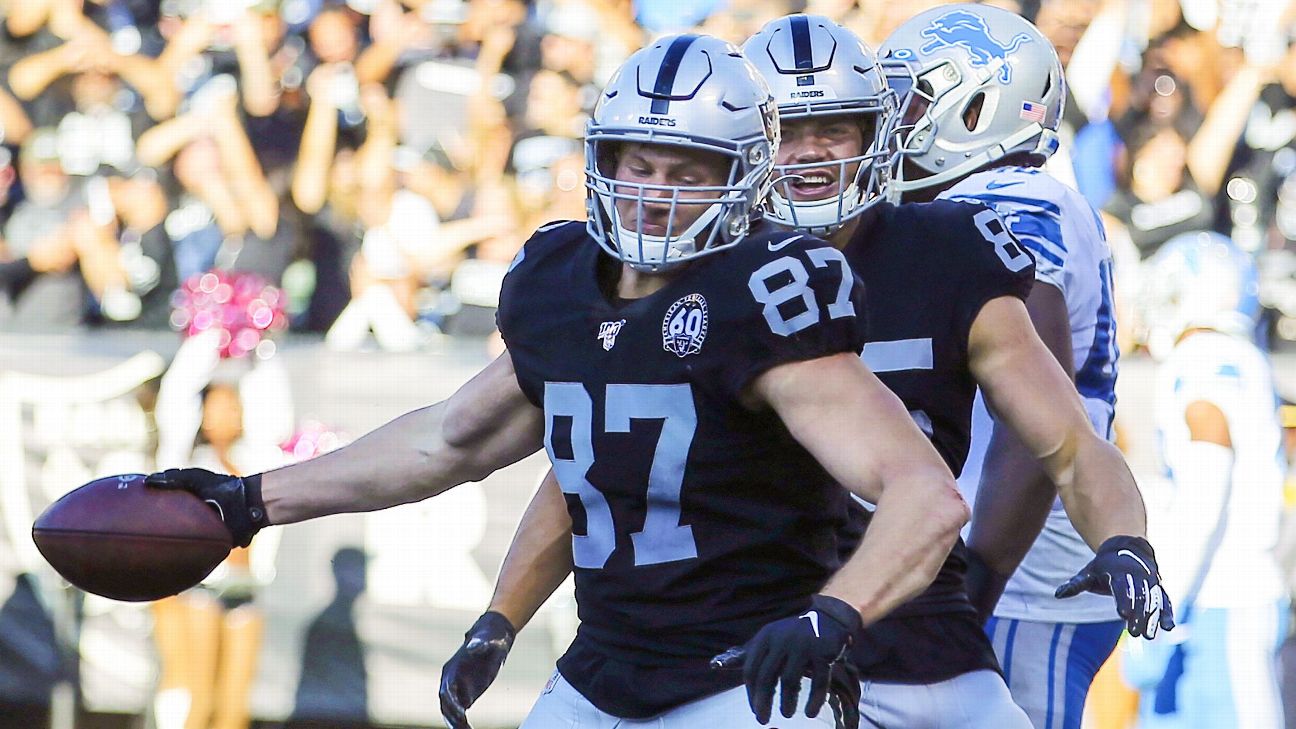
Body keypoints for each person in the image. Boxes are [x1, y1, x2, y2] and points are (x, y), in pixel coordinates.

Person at [146, 34, 972, 729]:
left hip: (737, 679)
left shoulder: (765, 293)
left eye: (685, 172)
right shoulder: (558, 278)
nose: (652, 193)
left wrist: (832, 613)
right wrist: (251, 499)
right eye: (635, 162)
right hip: (603, 667)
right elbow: (448, 439)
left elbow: (925, 495)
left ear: (745, 175)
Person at [440, 13, 1172, 729]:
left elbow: (1068, 441)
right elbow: (594, 461)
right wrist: (501, 617)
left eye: (835, 129)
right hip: (746, 653)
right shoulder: (692, 272)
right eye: (787, 131)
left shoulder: (944, 252)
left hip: (918, 626)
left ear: (877, 134)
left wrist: (1124, 537)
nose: (811, 154)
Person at [878, 5, 1152, 727]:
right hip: (988, 550)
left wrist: (979, 584)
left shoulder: (1013, 199)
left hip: (1024, 567)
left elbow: (1038, 419)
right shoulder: (962, 204)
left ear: (976, 110)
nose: (893, 119)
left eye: (912, 98)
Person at [1124, 232, 1287, 729]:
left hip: (1221, 597)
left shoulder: (1205, 359)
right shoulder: (1235, 356)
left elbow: (1205, 488)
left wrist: (1160, 603)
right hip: (1212, 597)